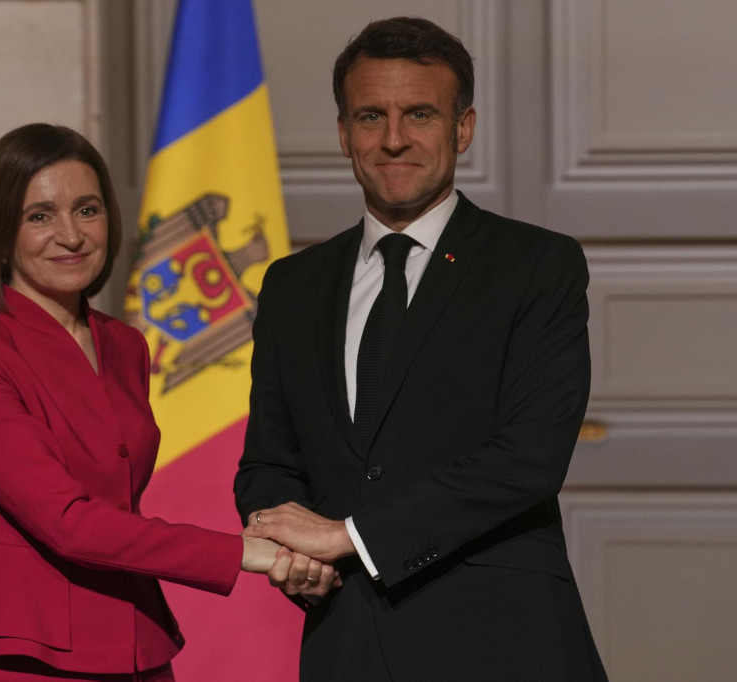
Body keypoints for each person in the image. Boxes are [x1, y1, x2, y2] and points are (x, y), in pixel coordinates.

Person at [236, 17, 608, 681]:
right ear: (344, 132)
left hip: (504, 639)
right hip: (346, 642)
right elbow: (270, 459)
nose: (395, 138)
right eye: (371, 115)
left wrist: (348, 537)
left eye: (420, 114)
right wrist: (290, 550)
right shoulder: (292, 286)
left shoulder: (537, 265)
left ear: (462, 129)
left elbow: (528, 459)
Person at [0, 123, 289, 682]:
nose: (71, 236)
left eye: (88, 210)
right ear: (0, 233)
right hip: (28, 654)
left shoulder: (125, 344)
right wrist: (241, 552)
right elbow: (66, 521)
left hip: (138, 643)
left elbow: (118, 497)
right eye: (40, 215)